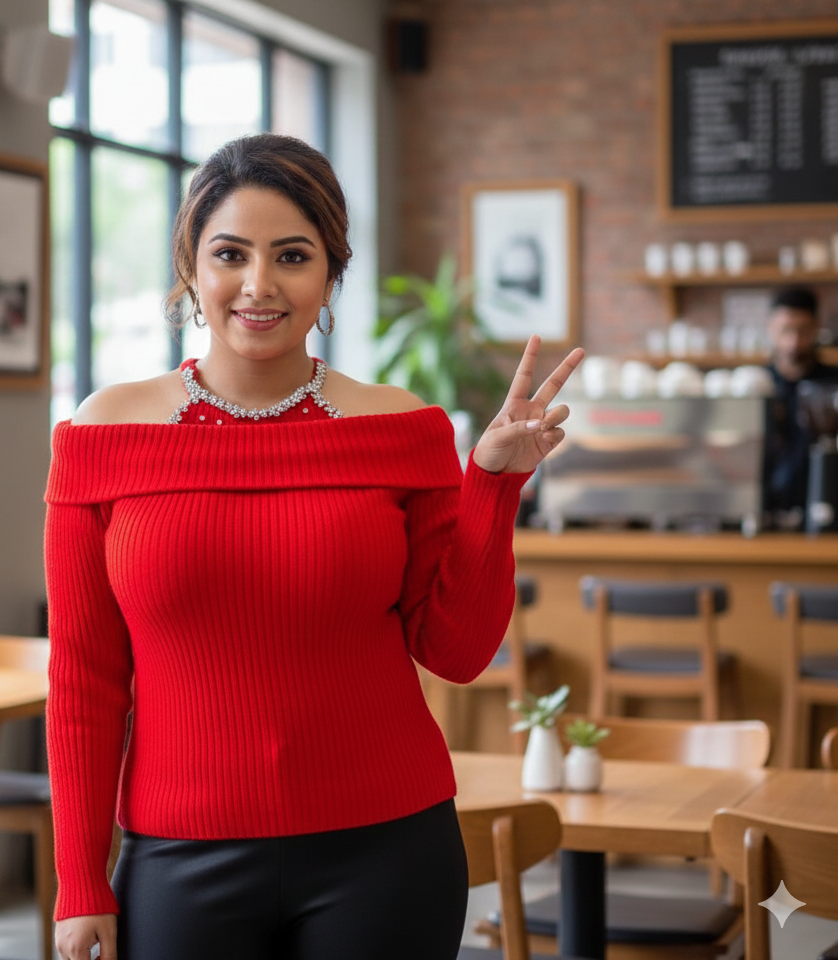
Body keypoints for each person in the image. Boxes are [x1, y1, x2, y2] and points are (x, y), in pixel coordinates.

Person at [44, 132, 584, 960]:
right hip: (179, 855)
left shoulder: (401, 428)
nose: (260, 285)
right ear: (191, 267)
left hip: (388, 850)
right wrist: (81, 882)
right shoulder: (102, 433)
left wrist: (492, 483)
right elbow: (84, 678)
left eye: (292, 256)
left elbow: (458, 650)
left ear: (331, 274)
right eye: (231, 253)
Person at [763, 286, 838, 524]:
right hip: (766, 511)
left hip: (828, 507)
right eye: (785, 330)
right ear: (771, 329)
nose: (793, 342)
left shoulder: (834, 383)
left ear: (816, 327)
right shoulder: (756, 385)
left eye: (803, 331)